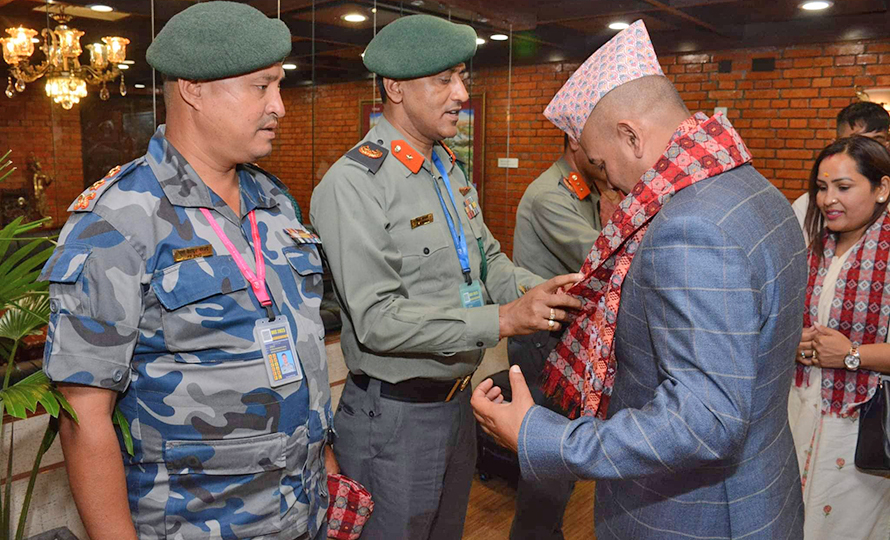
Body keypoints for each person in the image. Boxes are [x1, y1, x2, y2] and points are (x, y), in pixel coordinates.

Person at [472, 20, 807, 540]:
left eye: (602, 164)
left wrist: (544, 436)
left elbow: (704, 420)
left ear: (631, 136)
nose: (609, 181)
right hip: (756, 493)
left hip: (693, 517)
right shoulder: (754, 189)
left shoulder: (688, 227)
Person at [38, 3, 334, 539]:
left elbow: (299, 353)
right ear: (194, 90)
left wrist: (327, 470)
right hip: (194, 524)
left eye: (279, 85)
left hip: (302, 514)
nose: (279, 106)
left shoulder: (274, 202)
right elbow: (83, 418)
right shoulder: (117, 220)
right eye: (261, 87)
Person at [309, 14, 582, 540]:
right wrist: (503, 319)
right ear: (395, 88)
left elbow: (488, 261)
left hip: (458, 404)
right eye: (443, 80)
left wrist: (542, 292)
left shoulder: (446, 168)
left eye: (461, 77)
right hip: (394, 420)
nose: (461, 93)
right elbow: (378, 320)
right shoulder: (355, 184)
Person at [507, 133, 614, 540]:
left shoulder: (584, 192)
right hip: (543, 344)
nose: (603, 155)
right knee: (547, 468)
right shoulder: (550, 196)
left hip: (564, 341)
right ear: (573, 141)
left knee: (558, 467)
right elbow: (600, 259)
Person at [789, 136, 890, 540]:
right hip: (801, 412)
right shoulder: (817, 243)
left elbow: (846, 350)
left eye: (844, 187)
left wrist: (851, 354)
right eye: (821, 187)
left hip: (861, 430)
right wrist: (795, 341)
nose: (828, 199)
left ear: (882, 188)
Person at [791, 101, 890, 235]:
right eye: (856, 143)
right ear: (836, 145)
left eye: (877, 142)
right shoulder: (805, 207)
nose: (868, 153)